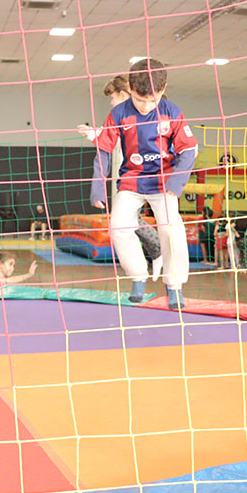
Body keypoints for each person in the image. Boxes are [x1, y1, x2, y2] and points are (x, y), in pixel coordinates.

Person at [77, 58, 198, 310]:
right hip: (132, 179)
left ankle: (174, 285)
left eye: (152, 100)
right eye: (140, 100)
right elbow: (104, 149)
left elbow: (188, 150)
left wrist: (177, 182)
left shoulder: (172, 111)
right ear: (130, 89)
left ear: (163, 90)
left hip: (164, 181)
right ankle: (138, 276)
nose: (145, 106)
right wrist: (98, 187)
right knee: (119, 227)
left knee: (171, 229)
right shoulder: (119, 113)